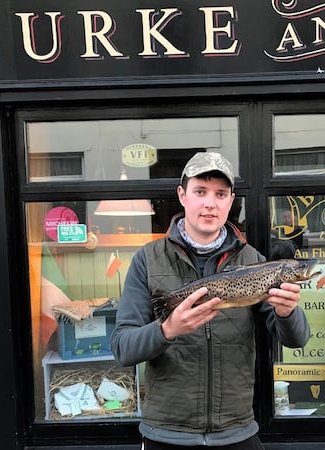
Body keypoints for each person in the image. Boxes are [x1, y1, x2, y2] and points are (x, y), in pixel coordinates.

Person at [110, 151, 311, 449]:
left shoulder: (254, 261)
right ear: (182, 195)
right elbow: (122, 348)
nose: (210, 203)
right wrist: (166, 331)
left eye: (220, 194)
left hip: (237, 430)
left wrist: (287, 312)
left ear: (230, 201)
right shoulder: (147, 260)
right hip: (166, 434)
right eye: (200, 191)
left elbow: (297, 340)